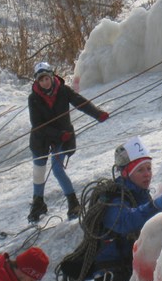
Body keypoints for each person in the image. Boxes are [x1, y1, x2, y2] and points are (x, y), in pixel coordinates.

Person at [91, 136, 162, 281]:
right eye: (140, 170)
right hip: (113, 272)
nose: (147, 175)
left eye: (149, 168)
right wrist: (154, 207)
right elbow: (123, 222)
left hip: (125, 268)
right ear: (127, 173)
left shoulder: (139, 195)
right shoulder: (114, 197)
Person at [28, 61, 109, 223]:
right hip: (42, 138)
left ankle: (73, 202)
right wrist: (59, 134)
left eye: (46, 78)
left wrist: (97, 114)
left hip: (63, 137)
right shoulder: (33, 98)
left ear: (52, 76)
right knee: (39, 170)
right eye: (41, 80)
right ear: (37, 81)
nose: (45, 82)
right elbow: (37, 125)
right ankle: (38, 203)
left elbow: (80, 102)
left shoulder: (63, 90)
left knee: (57, 169)